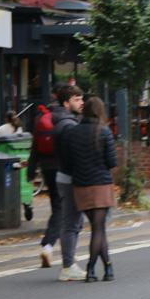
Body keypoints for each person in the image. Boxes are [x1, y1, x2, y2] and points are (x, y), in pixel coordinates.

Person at [66, 97, 117, 282]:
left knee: (98, 228)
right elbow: (112, 162)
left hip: (81, 185)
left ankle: (108, 267)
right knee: (98, 228)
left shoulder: (73, 132)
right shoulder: (104, 132)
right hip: (101, 185)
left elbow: (67, 162)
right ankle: (91, 269)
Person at [28, 84, 66, 267]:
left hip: (47, 166)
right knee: (64, 209)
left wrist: (30, 172)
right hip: (64, 166)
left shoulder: (44, 115)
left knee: (57, 206)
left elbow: (35, 145)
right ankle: (49, 246)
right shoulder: (66, 115)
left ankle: (52, 247)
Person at [53, 85, 87, 281]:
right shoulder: (67, 125)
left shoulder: (67, 122)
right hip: (69, 178)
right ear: (66, 103)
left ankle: (69, 263)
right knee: (71, 222)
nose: (81, 102)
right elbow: (70, 156)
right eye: (76, 99)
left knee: (75, 222)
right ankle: (68, 267)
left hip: (66, 177)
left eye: (81, 99)